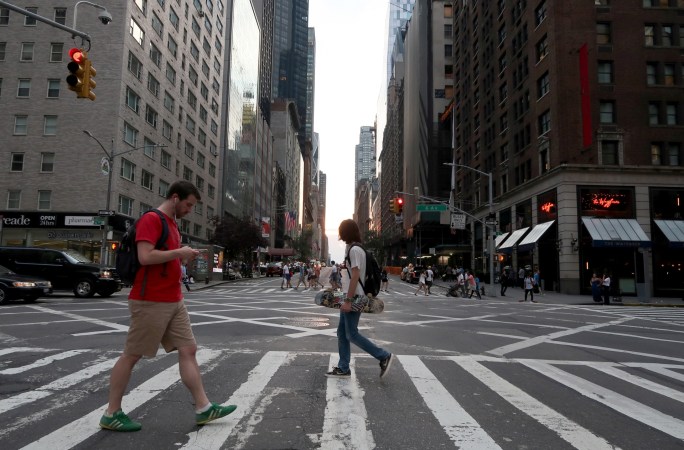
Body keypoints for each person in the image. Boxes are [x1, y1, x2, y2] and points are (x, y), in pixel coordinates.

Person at [99, 181, 236, 432]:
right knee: (132, 355)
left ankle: (203, 408)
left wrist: (181, 253)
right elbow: (145, 256)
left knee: (189, 349)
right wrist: (178, 252)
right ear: (175, 198)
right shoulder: (153, 219)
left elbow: (164, 257)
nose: (189, 210)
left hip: (173, 299)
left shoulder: (172, 224)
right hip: (151, 299)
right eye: (188, 205)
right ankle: (111, 412)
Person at [326, 219, 392, 379]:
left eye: (341, 231)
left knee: (351, 334)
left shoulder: (355, 250)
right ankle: (343, 367)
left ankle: (383, 355)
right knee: (342, 333)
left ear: (345, 232)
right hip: (349, 295)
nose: (340, 234)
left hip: (355, 297)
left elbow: (355, 275)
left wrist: (348, 301)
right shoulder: (355, 248)